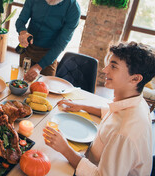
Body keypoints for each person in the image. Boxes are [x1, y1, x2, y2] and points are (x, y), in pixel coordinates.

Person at [43, 41, 155, 175]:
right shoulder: (137, 102)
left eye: (113, 67)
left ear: (135, 78)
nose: (104, 70)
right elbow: (111, 112)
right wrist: (82, 106)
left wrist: (65, 149)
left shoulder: (124, 132)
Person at [15, 0, 81, 82]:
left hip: (49, 56)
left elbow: (61, 44)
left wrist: (39, 66)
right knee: (20, 85)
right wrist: (22, 32)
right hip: (27, 50)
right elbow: (20, 21)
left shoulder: (73, 9)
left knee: (43, 92)